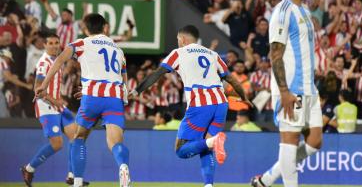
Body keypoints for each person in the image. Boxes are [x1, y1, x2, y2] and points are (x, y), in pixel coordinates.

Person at [135, 25, 252, 187]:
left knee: (181, 150)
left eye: (178, 40)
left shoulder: (178, 53)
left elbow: (157, 73)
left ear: (183, 39)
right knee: (206, 147)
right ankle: (209, 184)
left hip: (200, 105)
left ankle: (215, 141)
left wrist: (136, 90)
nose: (178, 43)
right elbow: (231, 80)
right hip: (220, 104)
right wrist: (244, 97)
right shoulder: (213, 54)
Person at [35, 13, 131, 187]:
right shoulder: (118, 50)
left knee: (79, 138)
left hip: (91, 99)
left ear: (86, 29)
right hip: (114, 98)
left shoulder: (81, 43)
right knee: (115, 142)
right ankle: (123, 166)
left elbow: (58, 61)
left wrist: (43, 85)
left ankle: (77, 182)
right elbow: (123, 79)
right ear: (104, 28)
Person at [251, 0, 322, 187]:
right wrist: (283, 91)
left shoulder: (305, 9)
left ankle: (266, 179)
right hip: (291, 88)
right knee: (289, 142)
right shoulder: (282, 12)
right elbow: (275, 55)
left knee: (314, 142)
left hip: (309, 87)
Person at [20, 34, 88, 187]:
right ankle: (28, 168)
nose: (54, 46)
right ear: (44, 45)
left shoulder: (57, 60)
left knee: (76, 136)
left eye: (56, 43)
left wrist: (59, 100)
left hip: (57, 105)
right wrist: (54, 101)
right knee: (57, 144)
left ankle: (71, 175)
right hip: (46, 105)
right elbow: (38, 88)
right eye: (50, 43)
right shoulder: (44, 62)